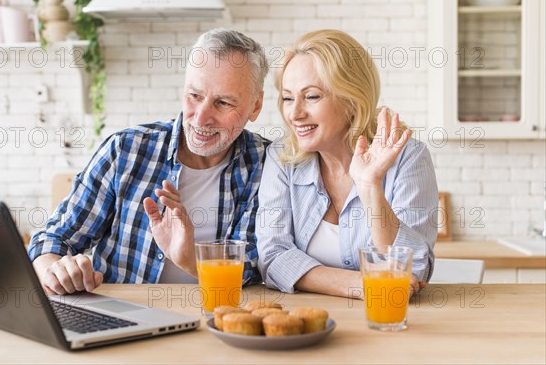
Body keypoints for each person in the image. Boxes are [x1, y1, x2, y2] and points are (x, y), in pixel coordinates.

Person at [29, 28, 270, 295]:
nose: (201, 118)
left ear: (255, 106)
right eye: (195, 96)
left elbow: (250, 268)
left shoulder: (265, 165)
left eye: (223, 103)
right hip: (123, 316)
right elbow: (53, 239)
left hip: (216, 318)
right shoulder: (126, 150)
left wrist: (190, 261)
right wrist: (57, 271)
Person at [256, 29, 438, 299]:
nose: (295, 114)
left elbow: (412, 268)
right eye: (287, 98)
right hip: (308, 323)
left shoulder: (408, 158)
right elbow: (273, 257)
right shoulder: (281, 158)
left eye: (312, 96)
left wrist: (369, 187)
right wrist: (359, 284)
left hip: (387, 322)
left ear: (352, 99)